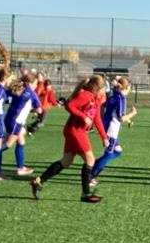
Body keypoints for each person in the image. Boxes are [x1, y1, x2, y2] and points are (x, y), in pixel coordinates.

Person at [30, 74, 108, 203]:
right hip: (75, 131)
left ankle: (38, 181)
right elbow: (69, 105)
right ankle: (85, 193)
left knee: (66, 161)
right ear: (96, 88)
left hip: (76, 131)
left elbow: (97, 119)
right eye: (103, 88)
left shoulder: (95, 100)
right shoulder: (85, 95)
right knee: (90, 159)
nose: (104, 91)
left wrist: (104, 138)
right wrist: (83, 117)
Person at [90, 76, 136, 186]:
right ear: (127, 87)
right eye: (130, 88)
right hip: (111, 130)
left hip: (107, 127)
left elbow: (103, 105)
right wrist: (133, 113)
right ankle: (90, 175)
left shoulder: (114, 95)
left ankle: (91, 170)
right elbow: (121, 118)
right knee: (108, 154)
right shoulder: (121, 98)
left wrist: (102, 119)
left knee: (117, 151)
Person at [0, 75, 43, 178]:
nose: (36, 86)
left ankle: (21, 167)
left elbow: (6, 95)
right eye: (36, 83)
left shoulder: (17, 88)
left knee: (21, 142)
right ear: (30, 83)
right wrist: (31, 109)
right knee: (8, 144)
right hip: (16, 121)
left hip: (9, 117)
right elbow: (39, 110)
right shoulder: (31, 93)